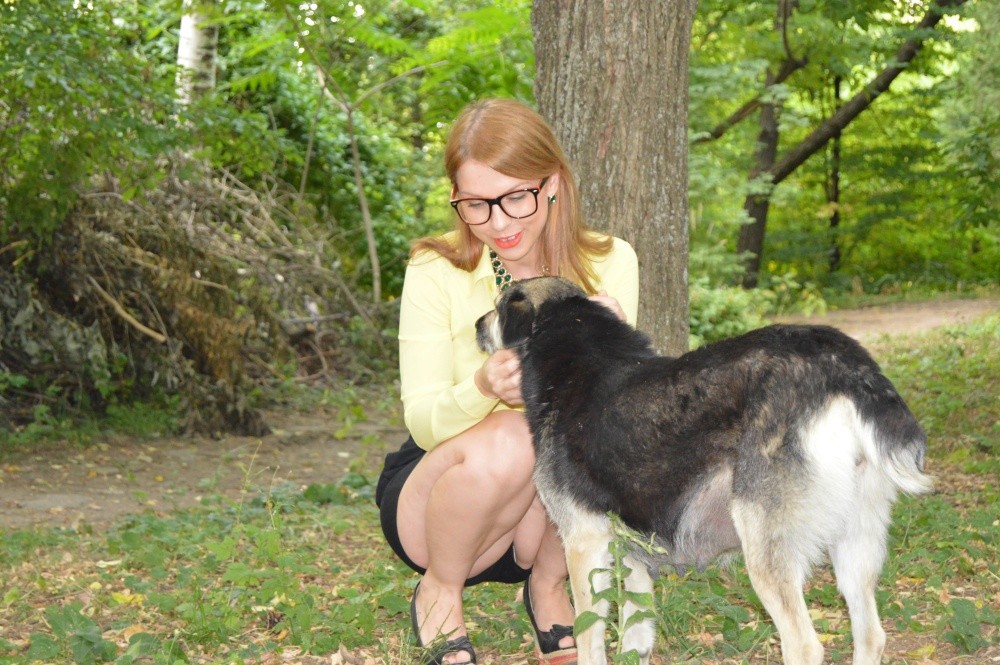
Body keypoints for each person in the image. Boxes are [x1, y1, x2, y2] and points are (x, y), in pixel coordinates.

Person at [375, 97, 639, 665]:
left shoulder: (610, 262)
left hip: (540, 518)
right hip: (439, 504)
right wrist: (482, 388)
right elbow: (421, 421)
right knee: (517, 436)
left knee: (580, 439)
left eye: (516, 197)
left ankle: (547, 584)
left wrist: (609, 355)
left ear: (553, 183)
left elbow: (611, 416)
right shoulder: (435, 269)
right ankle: (440, 591)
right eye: (476, 204)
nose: (499, 223)